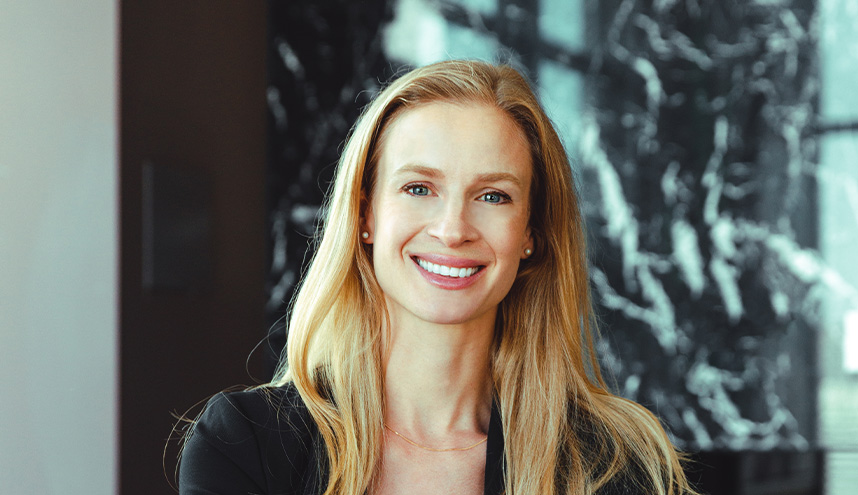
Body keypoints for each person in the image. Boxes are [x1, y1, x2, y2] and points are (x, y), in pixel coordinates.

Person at [179, 60, 697, 495]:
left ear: (531, 233)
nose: (452, 230)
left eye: (493, 196)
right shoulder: (243, 444)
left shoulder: (617, 464)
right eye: (419, 188)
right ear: (365, 215)